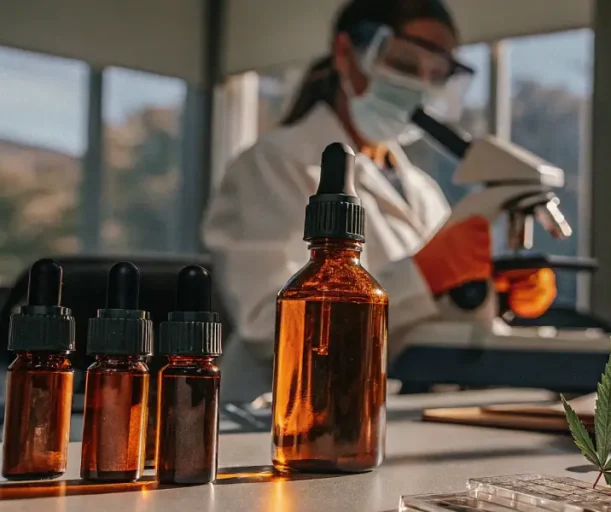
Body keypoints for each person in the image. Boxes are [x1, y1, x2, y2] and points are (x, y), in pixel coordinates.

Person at [202, 0, 557, 370]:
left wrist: (492, 294)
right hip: (274, 406)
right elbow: (268, 327)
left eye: (436, 74)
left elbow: (423, 317)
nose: (418, 85)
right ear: (345, 53)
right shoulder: (273, 163)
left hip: (389, 400)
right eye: (403, 64)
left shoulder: (420, 189)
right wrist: (423, 274)